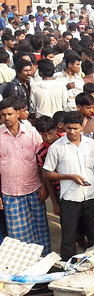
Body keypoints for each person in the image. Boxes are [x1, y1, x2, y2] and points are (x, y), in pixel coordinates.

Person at [43, 111, 94, 261]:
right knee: (69, 237)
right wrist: (69, 177)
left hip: (90, 196)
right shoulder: (57, 147)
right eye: (69, 128)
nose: (72, 132)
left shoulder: (91, 144)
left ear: (82, 126)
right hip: (69, 198)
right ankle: (68, 270)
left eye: (75, 128)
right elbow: (47, 173)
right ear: (63, 127)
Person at [0, 98, 50, 254]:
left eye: (10, 114)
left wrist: (43, 186)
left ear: (18, 113)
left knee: (40, 232)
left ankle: (44, 268)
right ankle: (26, 272)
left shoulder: (31, 133)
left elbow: (42, 162)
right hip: (10, 194)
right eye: (3, 115)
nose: (7, 118)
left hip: (34, 189)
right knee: (18, 237)